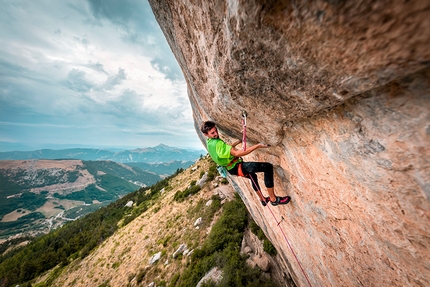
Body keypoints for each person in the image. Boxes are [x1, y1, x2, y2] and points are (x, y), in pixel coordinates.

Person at [201, 121, 291, 206]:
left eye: (215, 130)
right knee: (267, 167)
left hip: (231, 168)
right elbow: (238, 153)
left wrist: (237, 142)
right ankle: (273, 199)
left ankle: (263, 199)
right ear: (206, 134)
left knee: (253, 176)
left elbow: (224, 150)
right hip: (236, 166)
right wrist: (258, 146)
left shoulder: (210, 142)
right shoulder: (218, 143)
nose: (216, 133)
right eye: (213, 133)